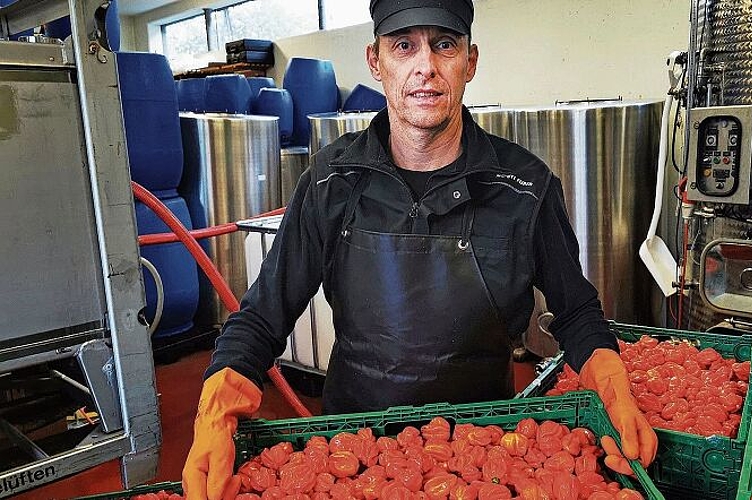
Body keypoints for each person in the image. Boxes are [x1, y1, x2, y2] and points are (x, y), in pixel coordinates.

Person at [182, 1, 657, 498]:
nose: (425, 67)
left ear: (469, 61)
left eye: (444, 45)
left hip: (486, 456)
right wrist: (217, 408)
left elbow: (577, 310)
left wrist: (614, 387)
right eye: (404, 45)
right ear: (375, 61)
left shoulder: (525, 188)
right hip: (353, 457)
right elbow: (262, 316)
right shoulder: (331, 181)